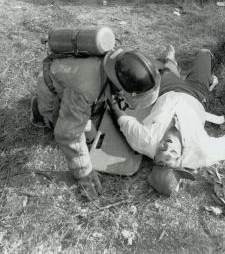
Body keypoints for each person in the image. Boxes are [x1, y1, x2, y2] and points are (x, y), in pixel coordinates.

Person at [108, 46, 225, 195]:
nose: (167, 146)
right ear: (180, 160)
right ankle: (206, 78)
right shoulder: (202, 152)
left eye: (161, 155)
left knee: (165, 71)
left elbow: (123, 120)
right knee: (204, 53)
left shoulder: (144, 141)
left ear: (154, 160)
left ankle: (171, 58)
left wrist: (112, 104)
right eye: (173, 154)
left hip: (166, 90)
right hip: (196, 95)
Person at [31, 45, 162, 199]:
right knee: (69, 130)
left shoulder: (117, 62)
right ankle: (38, 110)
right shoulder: (85, 89)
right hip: (52, 86)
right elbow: (68, 135)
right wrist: (84, 172)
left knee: (91, 129)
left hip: (74, 80)